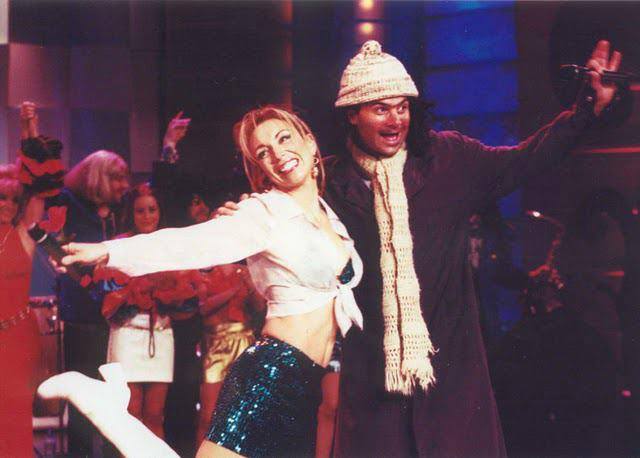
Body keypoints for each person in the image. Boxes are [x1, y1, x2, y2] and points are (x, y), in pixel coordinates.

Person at [321, 39, 622, 457]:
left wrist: (587, 107)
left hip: (451, 376)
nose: (396, 120)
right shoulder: (331, 185)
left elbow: (526, 159)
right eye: (380, 109)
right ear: (352, 114)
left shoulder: (447, 159)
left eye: (403, 107)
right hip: (375, 383)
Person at [52, 106, 364, 458]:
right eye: (264, 152)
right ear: (259, 167)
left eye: (284, 138)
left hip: (309, 382)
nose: (278, 154)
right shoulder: (264, 212)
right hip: (271, 374)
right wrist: (109, 251)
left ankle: (107, 408)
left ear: (309, 142)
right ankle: (105, 410)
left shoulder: (332, 216)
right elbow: (190, 244)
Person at [50, 131, 129, 455]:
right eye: (117, 178)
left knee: (117, 394)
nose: (124, 185)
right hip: (83, 315)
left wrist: (169, 146)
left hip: (121, 319)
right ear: (97, 178)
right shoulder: (71, 205)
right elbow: (53, 239)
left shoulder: (122, 211)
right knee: (82, 392)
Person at [0, 101, 60, 456]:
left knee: (16, 416)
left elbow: (37, 184)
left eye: (13, 199)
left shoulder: (22, 233)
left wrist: (29, 128)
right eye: (0, 197)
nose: (7, 204)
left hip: (16, 337)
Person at [105, 183, 173, 439]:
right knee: (130, 415)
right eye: (140, 211)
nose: (147, 216)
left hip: (161, 334)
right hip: (127, 333)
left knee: (155, 415)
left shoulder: (170, 243)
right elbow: (106, 292)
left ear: (160, 211)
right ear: (131, 214)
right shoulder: (119, 246)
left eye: (152, 210)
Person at [196, 262, 265, 444]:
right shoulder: (205, 271)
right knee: (208, 414)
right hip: (215, 344)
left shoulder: (246, 271)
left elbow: (259, 308)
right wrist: (233, 290)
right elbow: (203, 308)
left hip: (243, 339)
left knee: (241, 412)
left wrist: (251, 285)